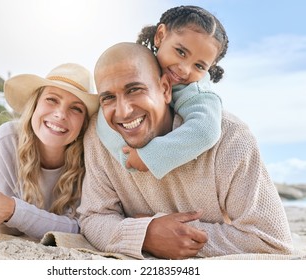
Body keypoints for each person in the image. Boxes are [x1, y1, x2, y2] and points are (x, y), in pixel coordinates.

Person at [77, 42, 294, 260]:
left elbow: (271, 240)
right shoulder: (99, 137)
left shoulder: (231, 138)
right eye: (108, 98)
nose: (123, 111)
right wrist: (146, 234)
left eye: (135, 90)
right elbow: (93, 217)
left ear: (165, 89)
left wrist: (165, 232)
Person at [0, 63, 99, 240]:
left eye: (76, 108)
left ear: (84, 122)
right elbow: (7, 229)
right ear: (35, 105)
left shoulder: (91, 155)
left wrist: (11, 209)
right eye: (52, 99)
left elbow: (83, 229)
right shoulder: (9, 138)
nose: (60, 114)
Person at [97, 5, 228, 179]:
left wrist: (151, 155)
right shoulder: (135, 66)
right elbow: (103, 119)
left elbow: (205, 131)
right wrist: (127, 156)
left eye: (199, 66)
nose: (184, 69)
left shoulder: (197, 92)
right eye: (181, 52)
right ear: (160, 36)